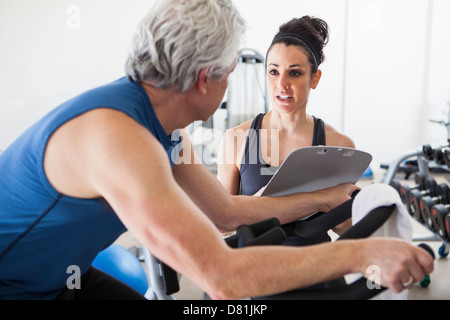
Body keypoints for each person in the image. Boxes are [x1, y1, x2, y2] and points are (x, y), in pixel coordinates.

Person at [0, 0, 433, 300]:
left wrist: (323, 199)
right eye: (230, 73)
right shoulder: (119, 138)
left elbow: (224, 211)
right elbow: (222, 277)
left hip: (55, 281)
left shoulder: (165, 130)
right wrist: (362, 254)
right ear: (206, 78)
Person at [217, 16, 354, 245]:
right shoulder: (236, 140)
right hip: (255, 270)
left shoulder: (339, 145)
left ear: (315, 78)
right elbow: (221, 224)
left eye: (295, 73)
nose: (282, 84)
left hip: (317, 268)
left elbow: (344, 227)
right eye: (274, 71)